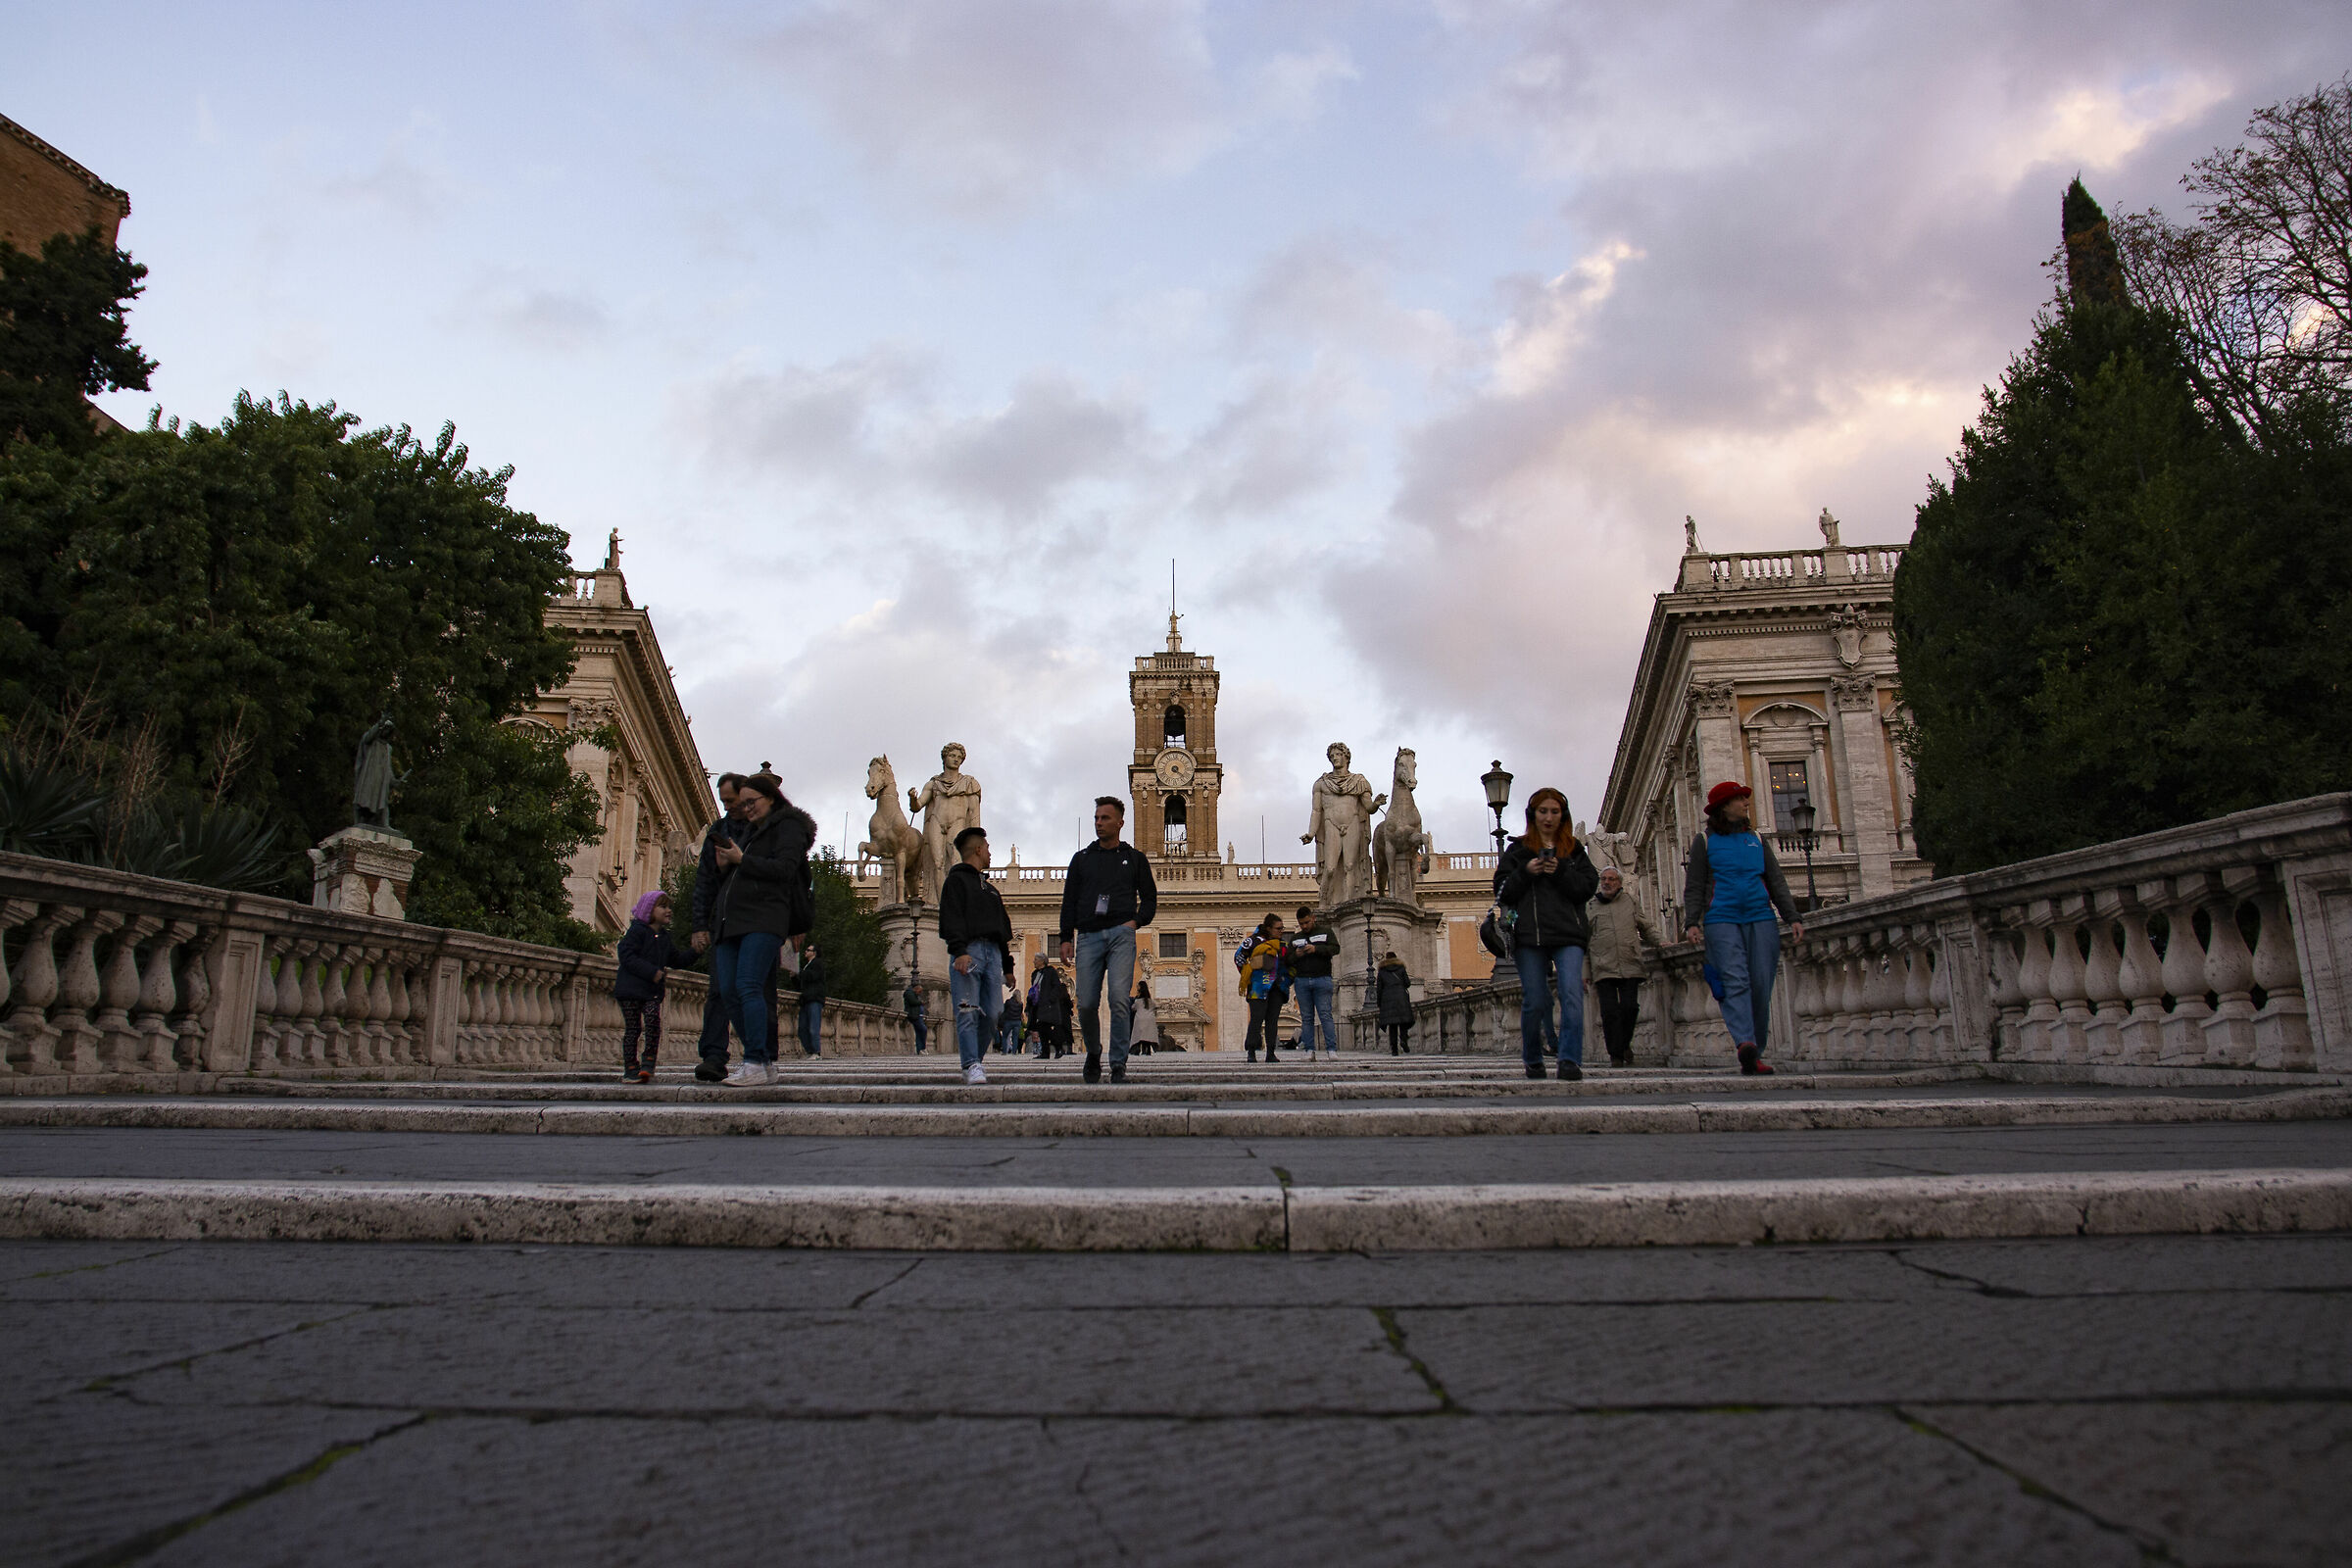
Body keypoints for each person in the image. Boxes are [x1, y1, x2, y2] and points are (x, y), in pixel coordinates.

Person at [1682, 780, 1805, 1075]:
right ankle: (1745, 1043)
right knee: (1735, 980)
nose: (1746, 803)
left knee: (1762, 984)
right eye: (1740, 799)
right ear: (1724, 806)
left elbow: (1776, 881)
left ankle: (1755, 1050)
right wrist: (1692, 921)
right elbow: (1695, 885)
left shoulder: (1757, 840)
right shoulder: (1705, 841)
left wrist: (1792, 916)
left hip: (1760, 917)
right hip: (1721, 919)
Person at [709, 775, 816, 1087]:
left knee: (748, 986)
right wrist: (727, 865)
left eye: (751, 802)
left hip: (764, 918)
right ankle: (762, 1061)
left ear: (771, 797)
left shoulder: (789, 826)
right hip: (732, 921)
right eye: (742, 804)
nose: (746, 809)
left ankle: (755, 1060)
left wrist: (743, 859)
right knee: (728, 991)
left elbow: (784, 869)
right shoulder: (752, 833)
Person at [1495, 786, 1601, 1081]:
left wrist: (1561, 871)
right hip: (1530, 936)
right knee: (1535, 1000)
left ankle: (1569, 1059)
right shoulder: (1517, 851)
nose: (1549, 817)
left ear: (1562, 816)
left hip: (1568, 934)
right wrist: (1527, 871)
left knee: (1571, 995)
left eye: (1555, 812)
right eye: (1543, 811)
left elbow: (1586, 887)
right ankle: (1532, 1057)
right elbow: (1502, 891)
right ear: (1533, 814)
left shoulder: (1574, 851)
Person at [1057, 796, 1159, 1085]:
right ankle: (1094, 1052)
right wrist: (1067, 937)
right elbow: (1069, 902)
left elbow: (1150, 898)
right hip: (1088, 936)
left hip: (1121, 936)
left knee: (1118, 1000)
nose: (1099, 823)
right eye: (1096, 818)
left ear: (1120, 823)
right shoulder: (1081, 859)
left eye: (1105, 818)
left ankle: (1117, 1065)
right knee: (1087, 1002)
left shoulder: (1135, 859)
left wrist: (1136, 921)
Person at [689, 772, 752, 1082]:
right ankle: (714, 1056)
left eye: (731, 800)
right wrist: (700, 925)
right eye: (723, 801)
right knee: (719, 988)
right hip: (725, 921)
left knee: (753, 989)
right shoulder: (719, 830)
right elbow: (704, 882)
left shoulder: (764, 828)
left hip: (758, 920)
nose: (727, 807)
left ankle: (760, 1057)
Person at [939, 824, 1012, 1086]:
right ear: (978, 849)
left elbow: (1003, 930)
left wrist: (1008, 966)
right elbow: (950, 919)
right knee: (967, 1010)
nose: (990, 852)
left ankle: (975, 1060)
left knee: (993, 1013)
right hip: (969, 951)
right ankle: (971, 1064)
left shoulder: (991, 890)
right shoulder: (956, 882)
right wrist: (958, 951)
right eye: (988, 847)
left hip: (992, 953)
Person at [1588, 866, 1665, 1067]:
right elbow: (1583, 941)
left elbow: (1646, 927)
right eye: (1604, 879)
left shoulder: (1630, 902)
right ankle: (1616, 1054)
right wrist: (1584, 970)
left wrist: (1662, 943)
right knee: (1609, 1012)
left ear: (1619, 883)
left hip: (1629, 962)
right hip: (1603, 965)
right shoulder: (1591, 906)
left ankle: (1623, 1044)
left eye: (1611, 879)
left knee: (1630, 1008)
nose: (1607, 882)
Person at [613, 890, 690, 1083]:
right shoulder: (637, 931)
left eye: (669, 907)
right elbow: (626, 956)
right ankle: (630, 1067)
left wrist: (695, 951)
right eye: (663, 907)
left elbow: (677, 959)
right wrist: (651, 972)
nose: (668, 911)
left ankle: (648, 1062)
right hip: (630, 990)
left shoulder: (664, 937)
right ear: (649, 910)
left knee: (653, 1023)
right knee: (633, 1028)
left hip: (651, 993)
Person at [1287, 906, 1339, 1059]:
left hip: (1322, 978)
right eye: (1301, 923)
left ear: (1313, 918)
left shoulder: (1326, 932)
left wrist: (1316, 949)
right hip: (1302, 980)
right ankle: (1309, 1049)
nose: (1304, 926)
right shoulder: (1296, 939)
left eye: (1307, 922)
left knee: (1325, 1014)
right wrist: (1296, 954)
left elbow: (1335, 949)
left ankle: (1331, 1049)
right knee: (1307, 1017)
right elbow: (1288, 960)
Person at [1236, 913, 1287, 1062]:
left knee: (1272, 1020)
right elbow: (1238, 957)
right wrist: (1248, 971)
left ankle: (1270, 1052)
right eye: (1278, 928)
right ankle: (1251, 1052)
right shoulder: (1253, 941)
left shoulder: (1281, 944)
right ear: (1269, 928)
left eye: (1282, 928)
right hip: (1258, 987)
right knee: (1256, 1020)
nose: (1281, 931)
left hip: (1276, 987)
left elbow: (1286, 962)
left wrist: (1286, 978)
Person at [1375, 950, 1414, 1054]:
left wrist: (1379, 1003)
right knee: (1403, 1022)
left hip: (1387, 998)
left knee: (1392, 1025)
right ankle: (1403, 1040)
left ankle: (1394, 1049)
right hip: (1401, 996)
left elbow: (1379, 989)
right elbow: (1407, 983)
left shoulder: (1382, 971)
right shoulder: (1401, 968)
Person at [795, 939, 827, 1058]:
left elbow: (811, 977)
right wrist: (795, 976)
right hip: (806, 999)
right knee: (802, 1028)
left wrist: (798, 971)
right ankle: (810, 1051)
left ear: (814, 953)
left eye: (808, 950)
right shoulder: (808, 965)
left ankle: (816, 1052)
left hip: (814, 998)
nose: (806, 951)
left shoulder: (818, 963)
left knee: (813, 1027)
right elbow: (802, 983)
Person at [1128, 984, 1159, 1055]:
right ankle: (1148, 1050)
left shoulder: (1137, 1001)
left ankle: (1142, 1050)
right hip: (1149, 1019)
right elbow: (1156, 1006)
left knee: (1140, 1036)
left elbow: (1133, 1008)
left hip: (1140, 1019)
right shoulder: (1151, 1001)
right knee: (1148, 1035)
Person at [904, 978, 928, 1054]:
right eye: (919, 991)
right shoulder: (909, 993)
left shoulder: (914, 994)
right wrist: (920, 1002)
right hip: (914, 1016)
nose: (920, 993)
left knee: (919, 1032)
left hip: (918, 1016)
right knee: (923, 1030)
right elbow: (913, 1002)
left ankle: (920, 1049)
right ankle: (922, 1048)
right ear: (916, 989)